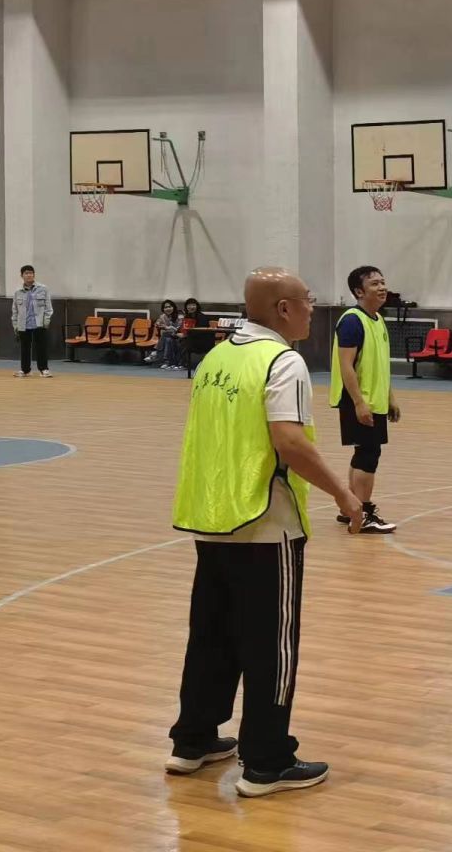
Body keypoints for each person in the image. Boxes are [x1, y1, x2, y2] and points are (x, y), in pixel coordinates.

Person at [167, 266, 364, 797]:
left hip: (211, 516)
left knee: (210, 638)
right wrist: (343, 495)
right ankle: (267, 761)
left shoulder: (217, 357)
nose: (312, 309)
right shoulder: (283, 361)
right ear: (283, 309)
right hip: (265, 522)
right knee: (270, 646)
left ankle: (192, 741)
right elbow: (290, 443)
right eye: (307, 300)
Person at [330, 266, 402, 534]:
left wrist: (390, 397)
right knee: (369, 454)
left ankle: (350, 509)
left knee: (363, 452)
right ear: (359, 292)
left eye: (383, 282)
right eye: (374, 284)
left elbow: (379, 365)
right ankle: (362, 513)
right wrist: (359, 402)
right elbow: (346, 365)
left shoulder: (377, 319)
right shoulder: (352, 321)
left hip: (375, 400)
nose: (382, 287)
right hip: (358, 400)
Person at [10, 265, 54, 378]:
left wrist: (46, 321)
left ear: (34, 275)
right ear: (22, 276)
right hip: (23, 324)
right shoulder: (18, 292)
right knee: (24, 348)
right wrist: (15, 325)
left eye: (31, 273)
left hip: (39, 323)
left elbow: (48, 308)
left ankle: (44, 369)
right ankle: (25, 370)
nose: (29, 275)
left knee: (41, 347)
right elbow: (15, 310)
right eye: (26, 273)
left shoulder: (43, 289)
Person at [150, 299, 183, 370]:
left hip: (179, 335)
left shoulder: (180, 315)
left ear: (173, 307)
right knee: (168, 339)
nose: (168, 309)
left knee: (165, 334)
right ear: (163, 309)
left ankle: (156, 352)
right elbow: (157, 324)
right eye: (166, 307)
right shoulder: (163, 316)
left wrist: (169, 328)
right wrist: (160, 325)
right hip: (170, 336)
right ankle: (168, 362)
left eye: (170, 307)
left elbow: (179, 328)